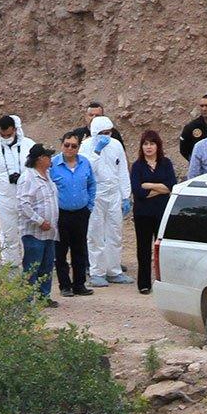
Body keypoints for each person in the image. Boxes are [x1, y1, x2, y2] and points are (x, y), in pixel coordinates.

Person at [78, 115, 133, 286]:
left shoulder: (116, 145)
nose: (105, 136)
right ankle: (97, 272)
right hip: (96, 194)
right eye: (102, 133)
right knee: (95, 234)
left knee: (115, 233)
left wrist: (126, 196)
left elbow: (123, 170)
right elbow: (85, 170)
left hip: (114, 193)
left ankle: (114, 270)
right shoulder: (86, 146)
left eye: (108, 132)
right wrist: (97, 152)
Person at [0, 115, 34, 269]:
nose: (6, 138)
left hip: (26, 196)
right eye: (3, 135)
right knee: (8, 233)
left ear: (15, 130)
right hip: (3, 197)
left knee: (28, 233)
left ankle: (30, 267)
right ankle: (10, 267)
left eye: (9, 135)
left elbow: (37, 169)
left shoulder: (28, 145)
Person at [51, 131, 98, 297]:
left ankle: (79, 284)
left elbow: (92, 184)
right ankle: (65, 285)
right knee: (61, 251)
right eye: (66, 145)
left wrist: (90, 205)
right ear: (61, 145)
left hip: (81, 213)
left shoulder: (85, 163)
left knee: (80, 249)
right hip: (61, 214)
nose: (70, 148)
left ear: (78, 148)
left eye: (74, 146)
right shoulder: (53, 165)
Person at [130, 129, 177, 294]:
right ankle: (144, 284)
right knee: (143, 249)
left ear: (158, 145)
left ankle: (164, 283)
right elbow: (138, 191)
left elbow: (171, 185)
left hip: (162, 212)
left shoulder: (166, 163)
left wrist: (149, 185)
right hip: (143, 214)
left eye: (152, 143)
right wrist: (160, 187)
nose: (149, 147)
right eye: (145, 144)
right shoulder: (137, 166)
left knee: (163, 249)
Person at [16, 144, 60, 308]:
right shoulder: (28, 178)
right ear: (40, 158)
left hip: (49, 232)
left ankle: (44, 296)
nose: (50, 159)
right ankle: (26, 299)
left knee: (47, 265)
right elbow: (23, 204)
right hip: (34, 232)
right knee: (32, 265)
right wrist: (40, 221)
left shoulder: (47, 176)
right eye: (48, 156)